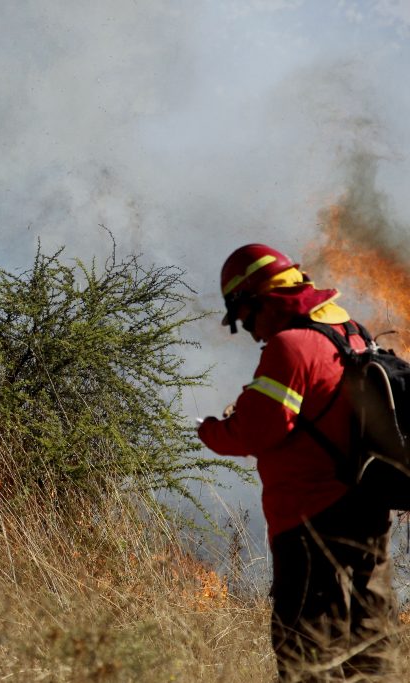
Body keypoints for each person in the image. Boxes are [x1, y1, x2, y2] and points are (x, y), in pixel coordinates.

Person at [197, 244, 395, 682]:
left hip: (311, 524)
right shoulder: (350, 331)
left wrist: (209, 429)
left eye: (245, 317)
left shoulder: (290, 346)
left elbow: (257, 431)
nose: (251, 332)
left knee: (308, 655)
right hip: (368, 515)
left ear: (258, 299)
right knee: (370, 651)